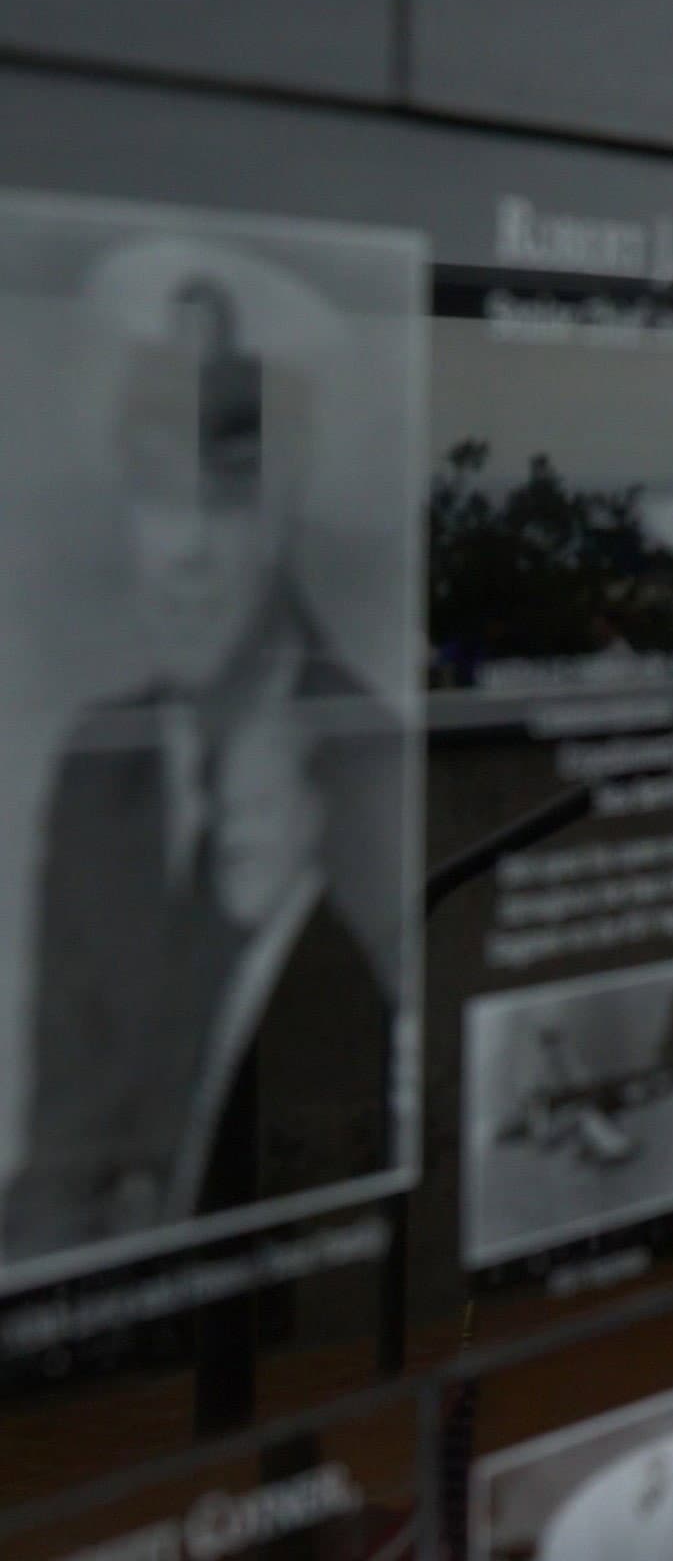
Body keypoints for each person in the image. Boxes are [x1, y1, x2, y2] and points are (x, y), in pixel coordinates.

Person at [8, 245, 401, 1259]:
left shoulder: (375, 773)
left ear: (281, 518)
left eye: (224, 501)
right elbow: (63, 1139)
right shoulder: (99, 766)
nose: (180, 553)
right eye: (153, 493)